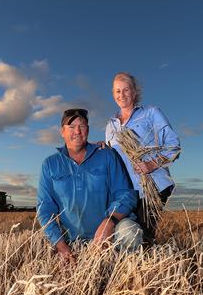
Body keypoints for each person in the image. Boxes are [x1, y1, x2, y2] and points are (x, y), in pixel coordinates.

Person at [37, 108, 143, 262]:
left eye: (83, 126)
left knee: (129, 231)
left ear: (88, 129)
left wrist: (110, 222)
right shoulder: (50, 164)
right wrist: (61, 246)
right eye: (71, 127)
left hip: (110, 233)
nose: (77, 131)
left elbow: (126, 194)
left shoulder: (107, 155)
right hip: (73, 240)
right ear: (62, 131)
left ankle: (126, 274)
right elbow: (45, 209)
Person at [104, 72, 181, 244]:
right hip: (128, 192)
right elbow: (114, 158)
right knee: (127, 232)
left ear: (134, 92)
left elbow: (173, 145)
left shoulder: (151, 113)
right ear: (113, 94)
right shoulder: (110, 126)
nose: (122, 95)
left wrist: (151, 164)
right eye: (117, 91)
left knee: (143, 234)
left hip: (152, 186)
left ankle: (145, 268)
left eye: (126, 90)